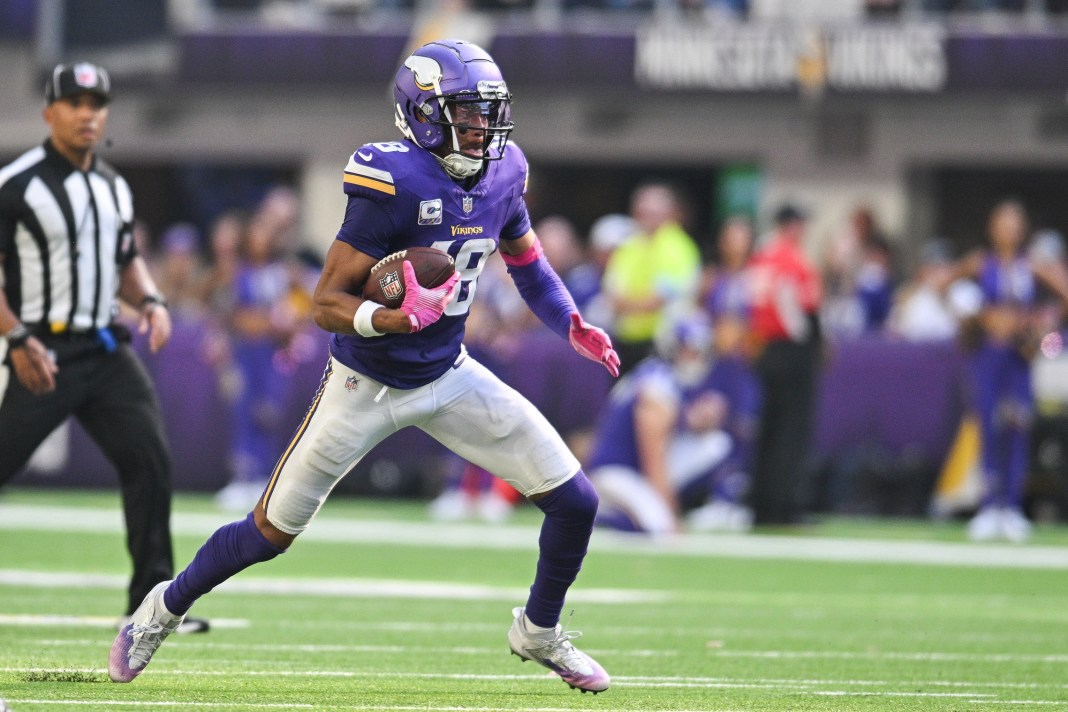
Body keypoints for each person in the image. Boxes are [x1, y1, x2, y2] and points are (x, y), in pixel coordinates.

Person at [108, 39, 619, 694]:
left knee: (576, 501)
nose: (482, 128)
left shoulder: (504, 171)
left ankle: (539, 631)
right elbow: (325, 302)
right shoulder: (392, 179)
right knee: (268, 532)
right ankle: (161, 608)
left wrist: (571, 320)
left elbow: (527, 261)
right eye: (466, 113)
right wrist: (389, 319)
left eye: (488, 113)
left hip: (447, 373)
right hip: (364, 383)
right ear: (424, 113)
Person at [0, 62, 208, 633]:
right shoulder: (17, 184)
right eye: (74, 103)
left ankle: (151, 603)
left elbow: (123, 260)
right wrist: (15, 336)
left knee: (149, 458)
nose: (87, 114)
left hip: (106, 349)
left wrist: (152, 300)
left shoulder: (113, 185)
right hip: (41, 351)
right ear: (49, 112)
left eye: (96, 104)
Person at [587, 309, 756, 534]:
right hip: (615, 472)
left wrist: (693, 420)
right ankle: (606, 516)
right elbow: (653, 457)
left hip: (634, 470)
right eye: (690, 351)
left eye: (700, 352)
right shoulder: (657, 386)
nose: (696, 359)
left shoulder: (663, 379)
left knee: (715, 442)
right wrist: (669, 509)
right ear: (672, 348)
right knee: (659, 527)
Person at [960, 200, 1068, 542]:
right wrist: (975, 317)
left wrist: (1042, 322)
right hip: (989, 356)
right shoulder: (981, 263)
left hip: (1018, 359)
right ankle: (989, 505)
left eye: (1013, 223)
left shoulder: (1031, 265)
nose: (1008, 229)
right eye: (1002, 222)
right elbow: (944, 285)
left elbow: (1062, 294)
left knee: (1017, 425)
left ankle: (1012, 507)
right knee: (988, 424)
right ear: (992, 227)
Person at [746, 203, 824, 526]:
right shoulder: (792, 259)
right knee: (792, 430)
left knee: (770, 429)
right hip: (791, 350)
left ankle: (762, 504)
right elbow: (802, 312)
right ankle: (786, 505)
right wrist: (814, 345)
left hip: (766, 349)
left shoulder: (761, 257)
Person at [600, 182, 701, 374]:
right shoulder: (629, 245)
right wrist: (630, 303)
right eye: (641, 212)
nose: (646, 218)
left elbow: (658, 299)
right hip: (624, 339)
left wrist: (627, 304)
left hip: (662, 341)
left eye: (653, 213)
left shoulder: (678, 247)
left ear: (669, 213)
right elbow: (611, 292)